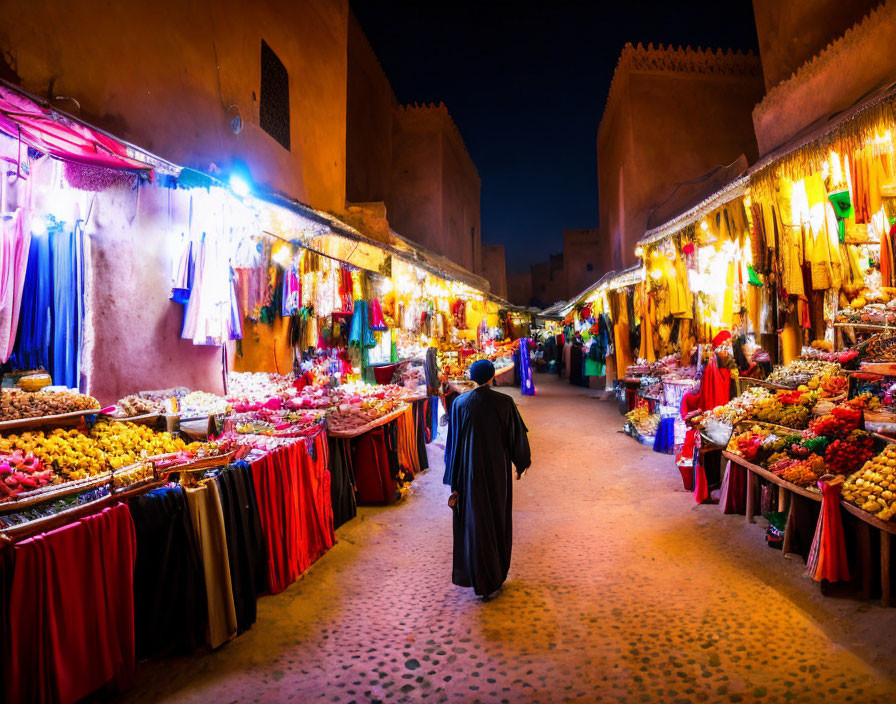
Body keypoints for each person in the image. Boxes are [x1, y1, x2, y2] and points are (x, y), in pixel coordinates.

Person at [443, 360, 531, 600]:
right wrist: (521, 463)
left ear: (471, 377)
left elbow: (453, 445)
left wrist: (452, 477)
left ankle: (479, 575)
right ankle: (495, 575)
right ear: (493, 376)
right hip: (496, 473)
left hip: (468, 474)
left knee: (475, 521)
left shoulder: (460, 404)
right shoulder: (504, 403)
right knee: (496, 517)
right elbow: (516, 436)